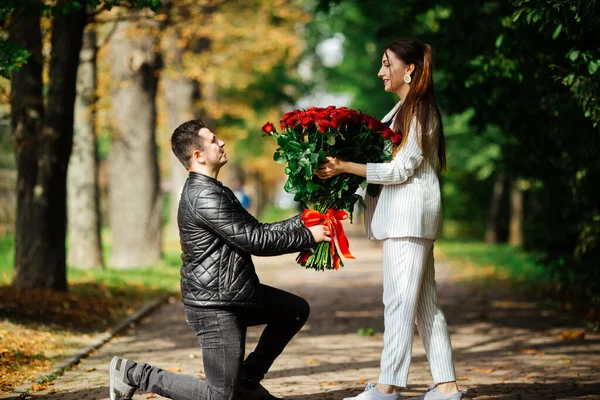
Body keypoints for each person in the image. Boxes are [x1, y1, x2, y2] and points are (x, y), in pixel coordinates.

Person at [109, 119, 331, 400]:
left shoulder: (215, 190)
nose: (221, 142)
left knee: (294, 309)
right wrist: (307, 237)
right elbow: (255, 241)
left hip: (233, 294)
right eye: (213, 140)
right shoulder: (204, 195)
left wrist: (304, 220)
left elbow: (255, 230)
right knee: (218, 397)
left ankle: (246, 381)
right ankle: (133, 373)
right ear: (198, 156)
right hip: (215, 307)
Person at [317, 39, 464, 400]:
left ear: (409, 69)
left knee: (398, 301)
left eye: (387, 64)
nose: (381, 71)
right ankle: (446, 387)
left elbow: (400, 170)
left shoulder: (419, 110)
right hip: (406, 219)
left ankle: (388, 386)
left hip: (408, 220)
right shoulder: (403, 110)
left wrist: (344, 167)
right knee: (425, 305)